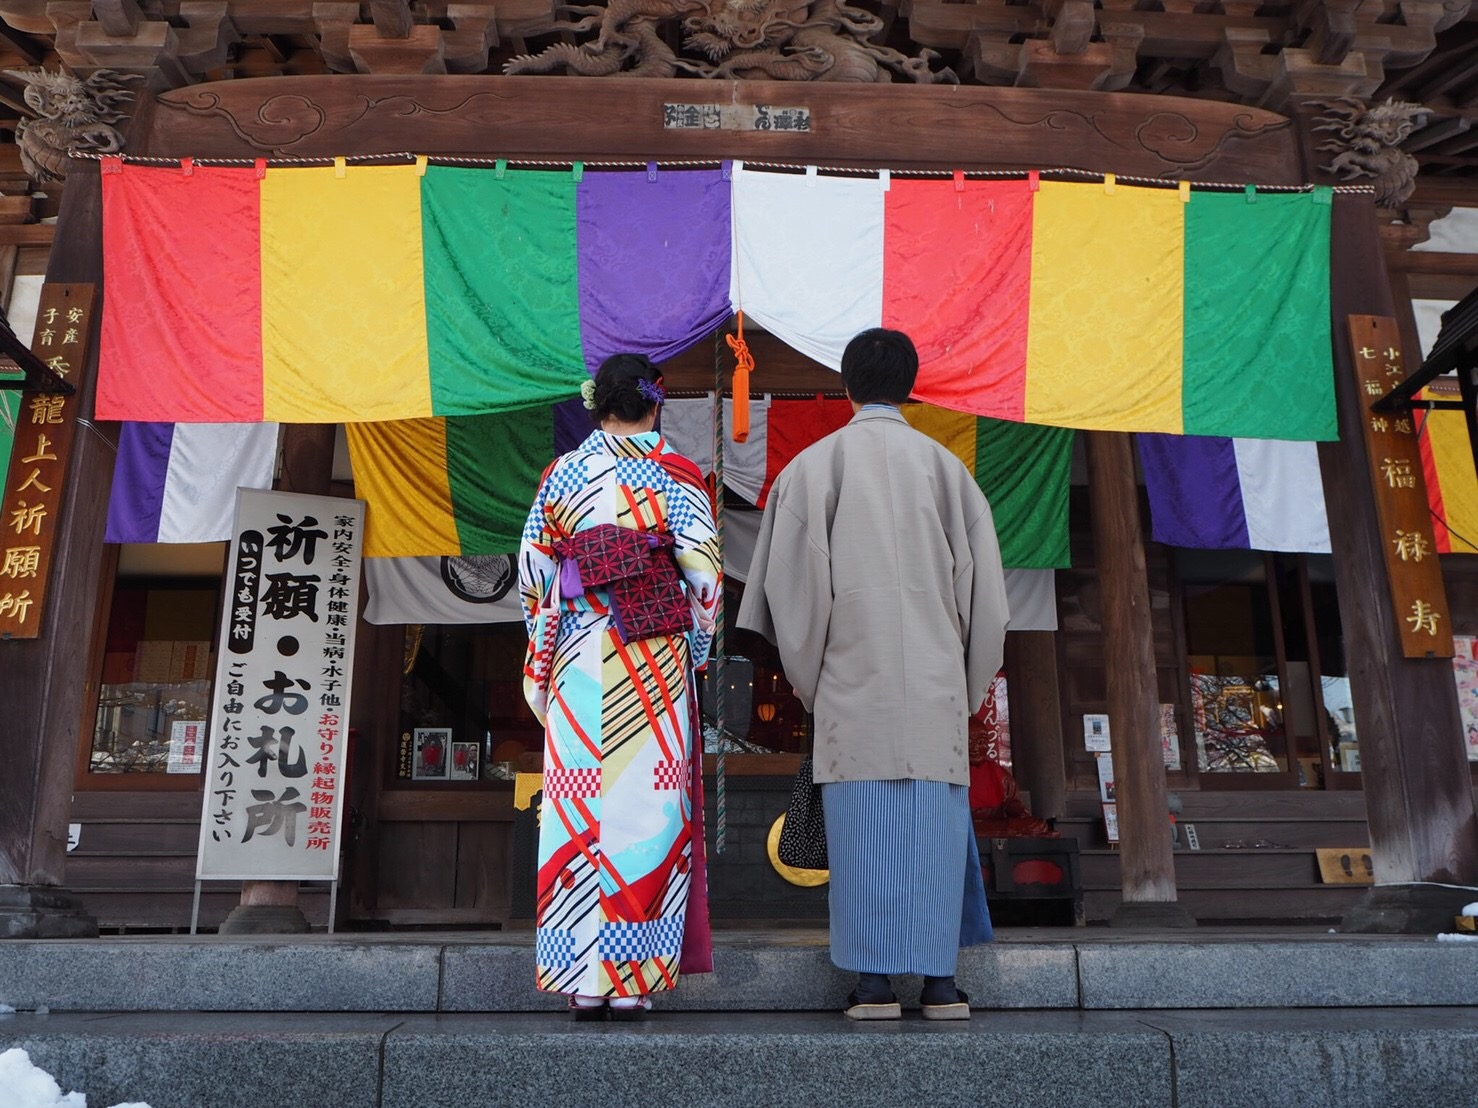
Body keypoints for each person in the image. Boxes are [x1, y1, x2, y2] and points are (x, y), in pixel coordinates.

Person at [738, 327, 1009, 1021]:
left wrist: (813, 685)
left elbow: (794, 604)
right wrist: (966, 687)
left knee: (865, 848)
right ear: (910, 385)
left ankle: (876, 987)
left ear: (848, 385)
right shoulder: (950, 473)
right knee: (936, 840)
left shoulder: (809, 470)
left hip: (852, 693)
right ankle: (943, 987)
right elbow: (990, 608)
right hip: (935, 689)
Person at [518, 352, 721, 1021]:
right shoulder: (677, 474)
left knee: (579, 812)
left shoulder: (561, 476)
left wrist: (546, 654)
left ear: (592, 405)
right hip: (653, 654)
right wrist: (696, 648)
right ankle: (631, 978)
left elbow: (533, 577)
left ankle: (581, 977)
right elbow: (706, 582)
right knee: (647, 811)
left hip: (580, 653)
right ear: (655, 404)